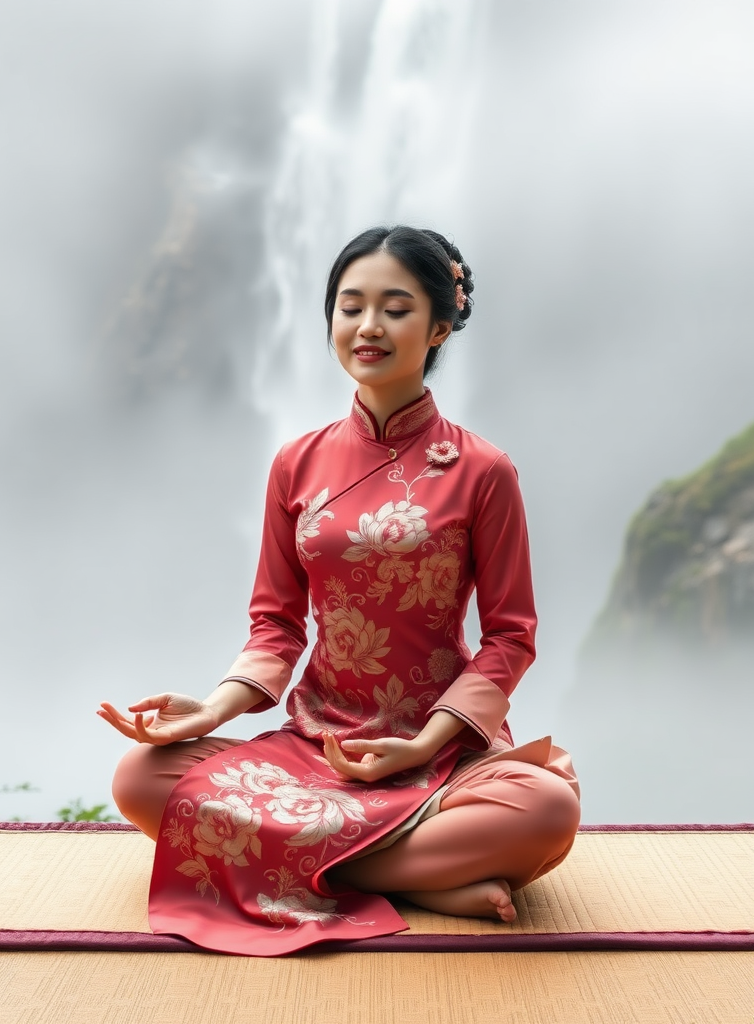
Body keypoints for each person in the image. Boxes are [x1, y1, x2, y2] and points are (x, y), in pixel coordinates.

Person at [100, 226, 580, 957]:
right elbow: (275, 628)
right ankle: (414, 878)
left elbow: (511, 637)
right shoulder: (296, 463)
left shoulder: (484, 471)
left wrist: (421, 741)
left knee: (543, 808)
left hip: (436, 749)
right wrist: (212, 707)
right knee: (141, 776)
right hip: (316, 743)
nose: (368, 327)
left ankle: (309, 858)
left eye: (395, 308)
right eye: (350, 306)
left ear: (440, 326)